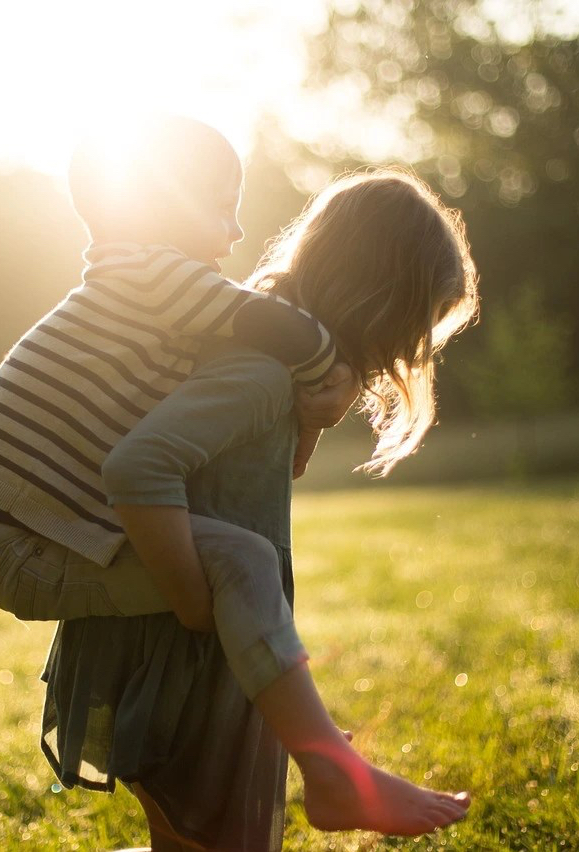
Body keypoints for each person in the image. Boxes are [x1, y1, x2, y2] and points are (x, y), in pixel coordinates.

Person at [41, 168, 480, 851]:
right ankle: (336, 777)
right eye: (415, 323)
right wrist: (192, 601)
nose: (410, 348)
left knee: (192, 842)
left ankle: (330, 771)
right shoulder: (261, 372)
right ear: (377, 301)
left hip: (205, 638)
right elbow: (138, 466)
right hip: (182, 645)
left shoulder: (276, 364)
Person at [0, 115, 357, 693]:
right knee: (245, 563)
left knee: (236, 562)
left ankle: (287, 730)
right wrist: (333, 376)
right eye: (221, 207)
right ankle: (304, 738)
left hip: (21, 533)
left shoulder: (138, 283)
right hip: (24, 544)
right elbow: (278, 325)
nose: (237, 230)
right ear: (161, 208)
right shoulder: (153, 275)